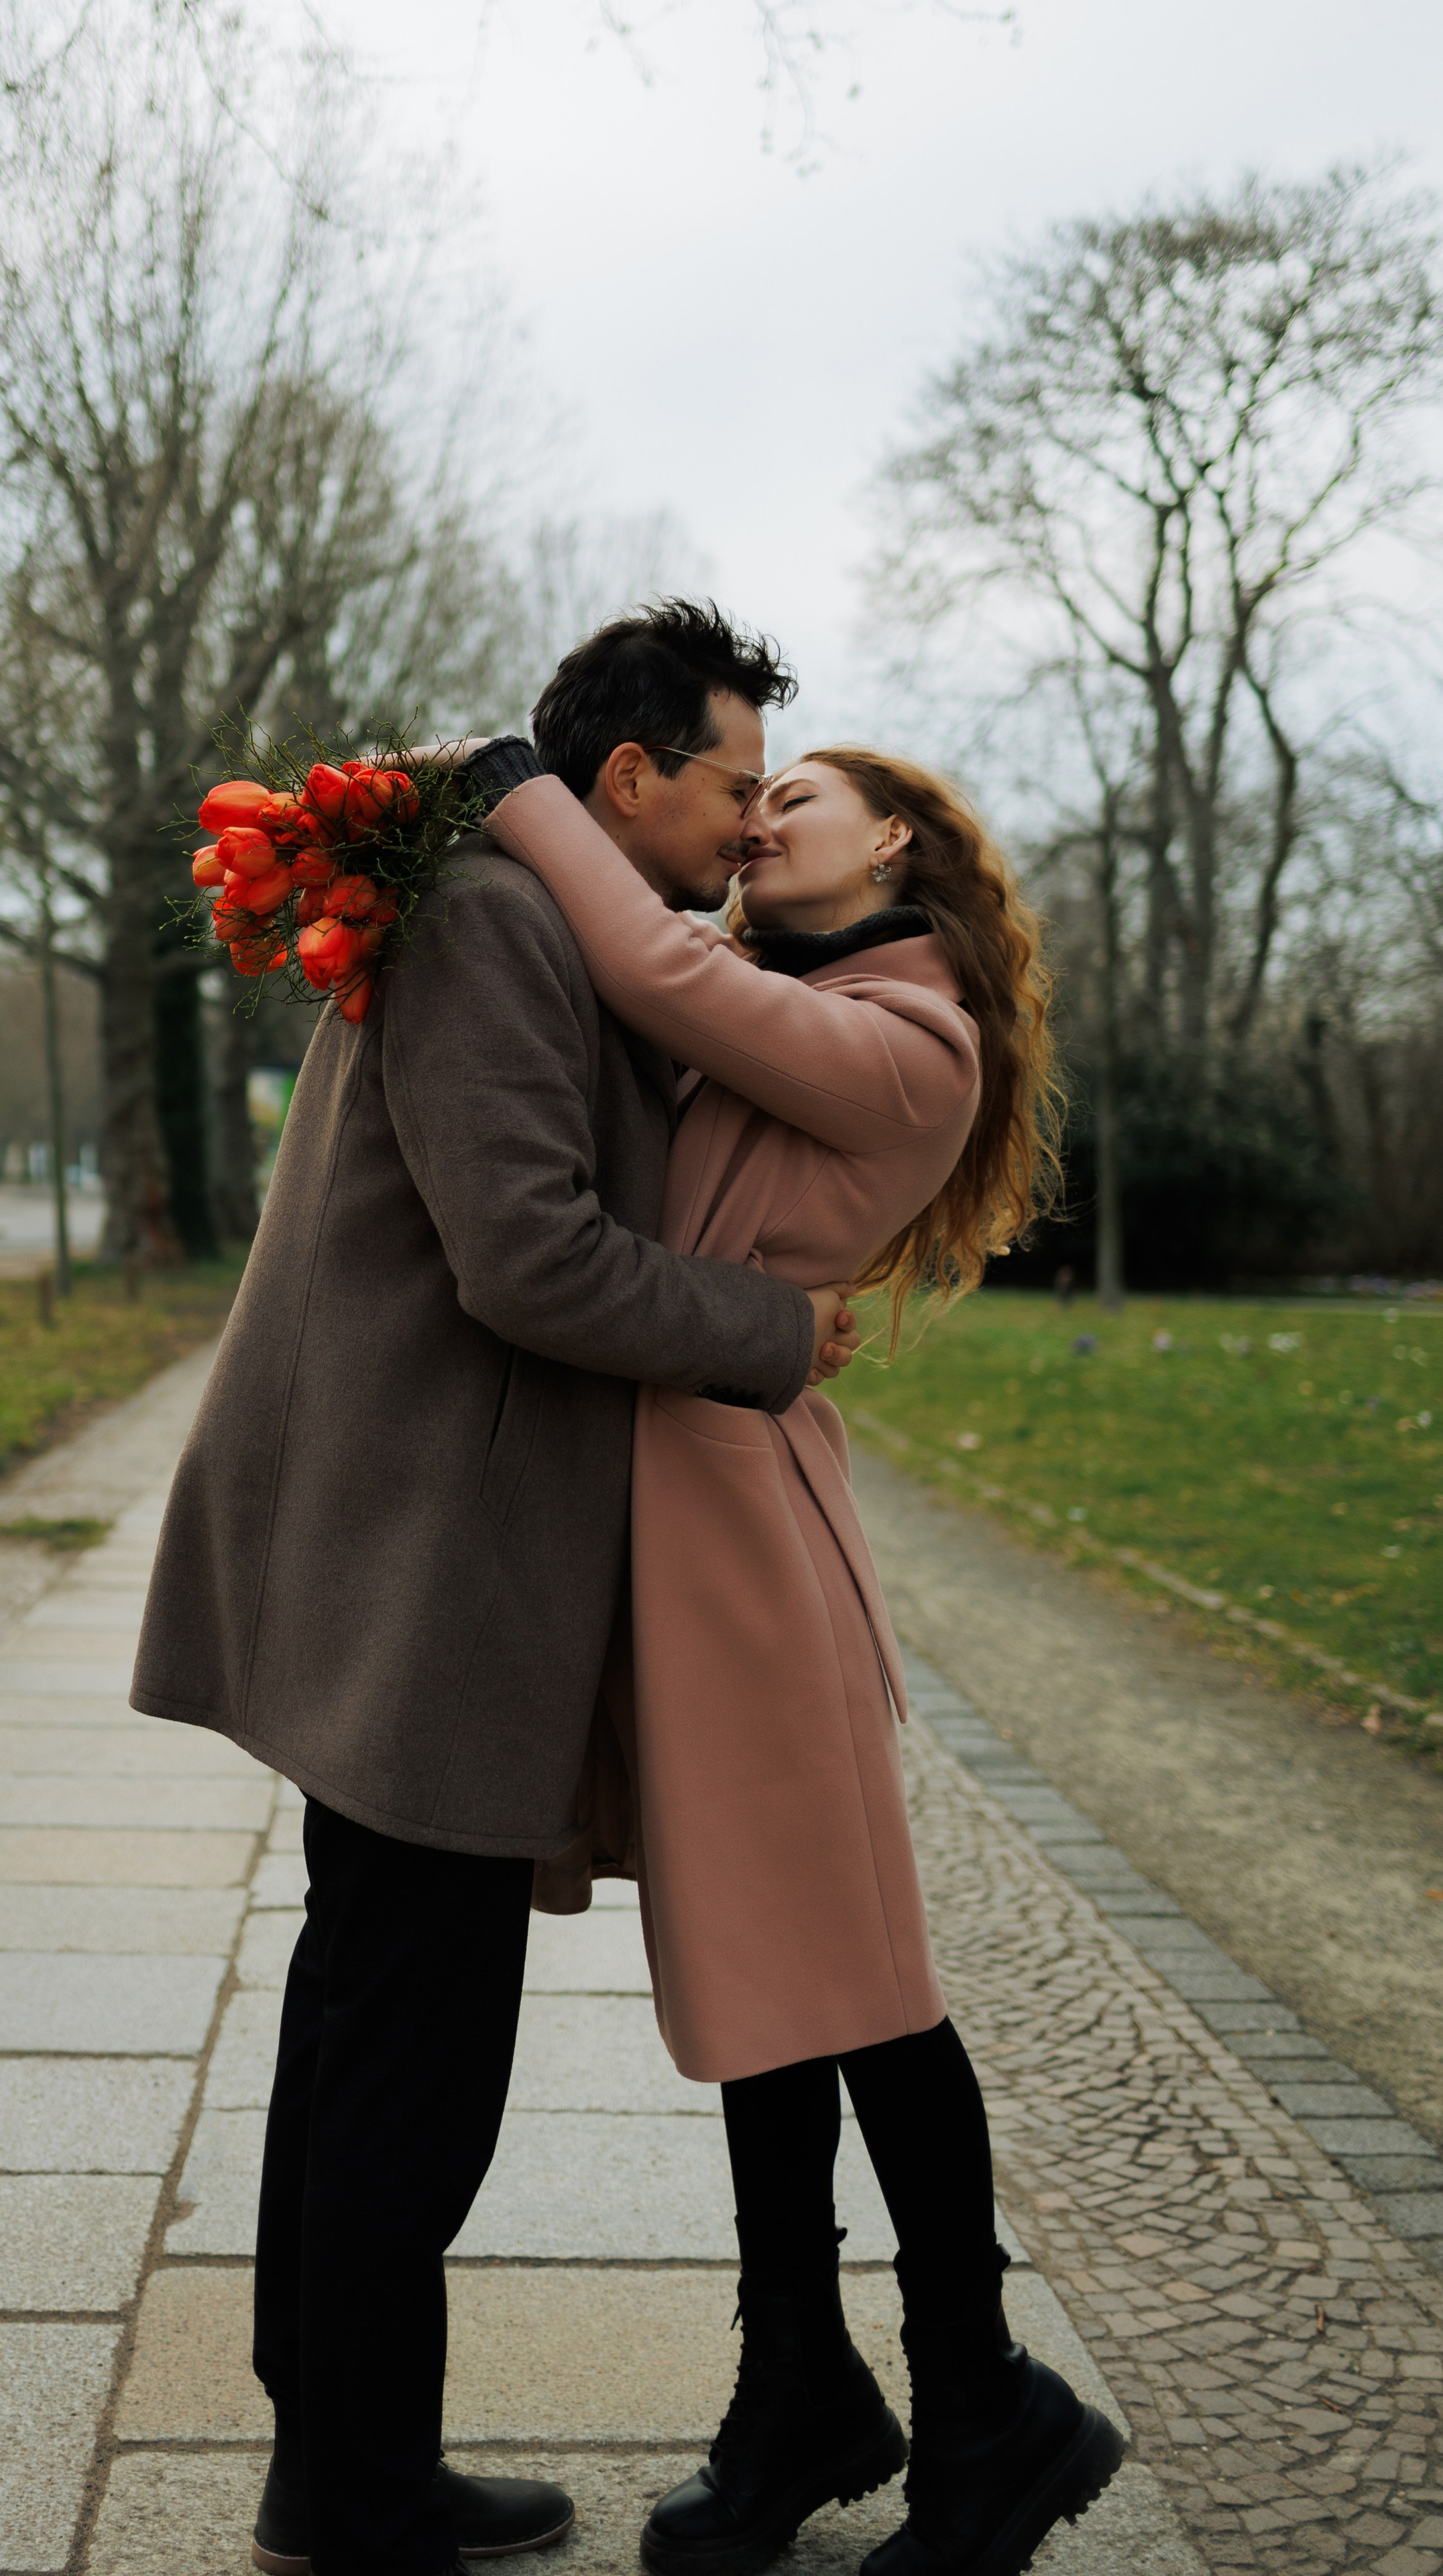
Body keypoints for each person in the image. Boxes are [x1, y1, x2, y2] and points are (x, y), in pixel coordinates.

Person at [128, 601, 866, 2576]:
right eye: (731, 784)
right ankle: (355, 2487)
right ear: (628, 774)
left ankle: (343, 2455)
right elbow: (527, 1254)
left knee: (371, 2018)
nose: (747, 825)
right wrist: (774, 1331)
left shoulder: (537, 913)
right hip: (417, 1567)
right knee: (411, 2049)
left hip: (416, 1548)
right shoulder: (497, 923)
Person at [455, 741, 1124, 2576]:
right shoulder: (774, 995)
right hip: (692, 1527)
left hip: (753, 1546)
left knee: (865, 1987)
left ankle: (981, 2402)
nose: (756, 822)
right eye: (747, 798)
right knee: (769, 1976)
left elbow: (650, 966)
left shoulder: (912, 1039)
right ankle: (806, 2383)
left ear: (895, 838)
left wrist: (508, 790)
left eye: (795, 797)